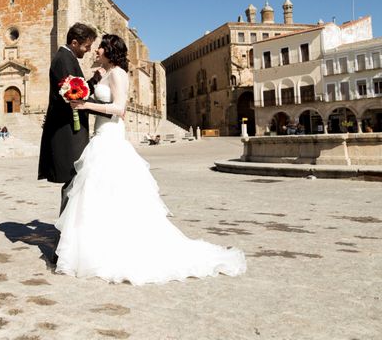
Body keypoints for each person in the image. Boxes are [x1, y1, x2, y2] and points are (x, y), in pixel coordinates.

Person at [55, 34, 246, 285]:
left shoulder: (119, 74)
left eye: (99, 47)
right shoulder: (105, 73)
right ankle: (101, 243)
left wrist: (85, 105)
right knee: (97, 190)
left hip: (111, 136)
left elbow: (120, 109)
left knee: (107, 188)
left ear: (109, 50)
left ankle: (116, 248)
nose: (96, 51)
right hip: (101, 135)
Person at [38, 22, 110, 215]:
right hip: (68, 132)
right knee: (74, 180)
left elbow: (77, 91)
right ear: (75, 42)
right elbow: (74, 97)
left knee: (76, 179)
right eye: (86, 46)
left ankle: (68, 228)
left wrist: (94, 81)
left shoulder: (67, 57)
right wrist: (107, 109)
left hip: (73, 129)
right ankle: (65, 231)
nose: (88, 51)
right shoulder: (63, 59)